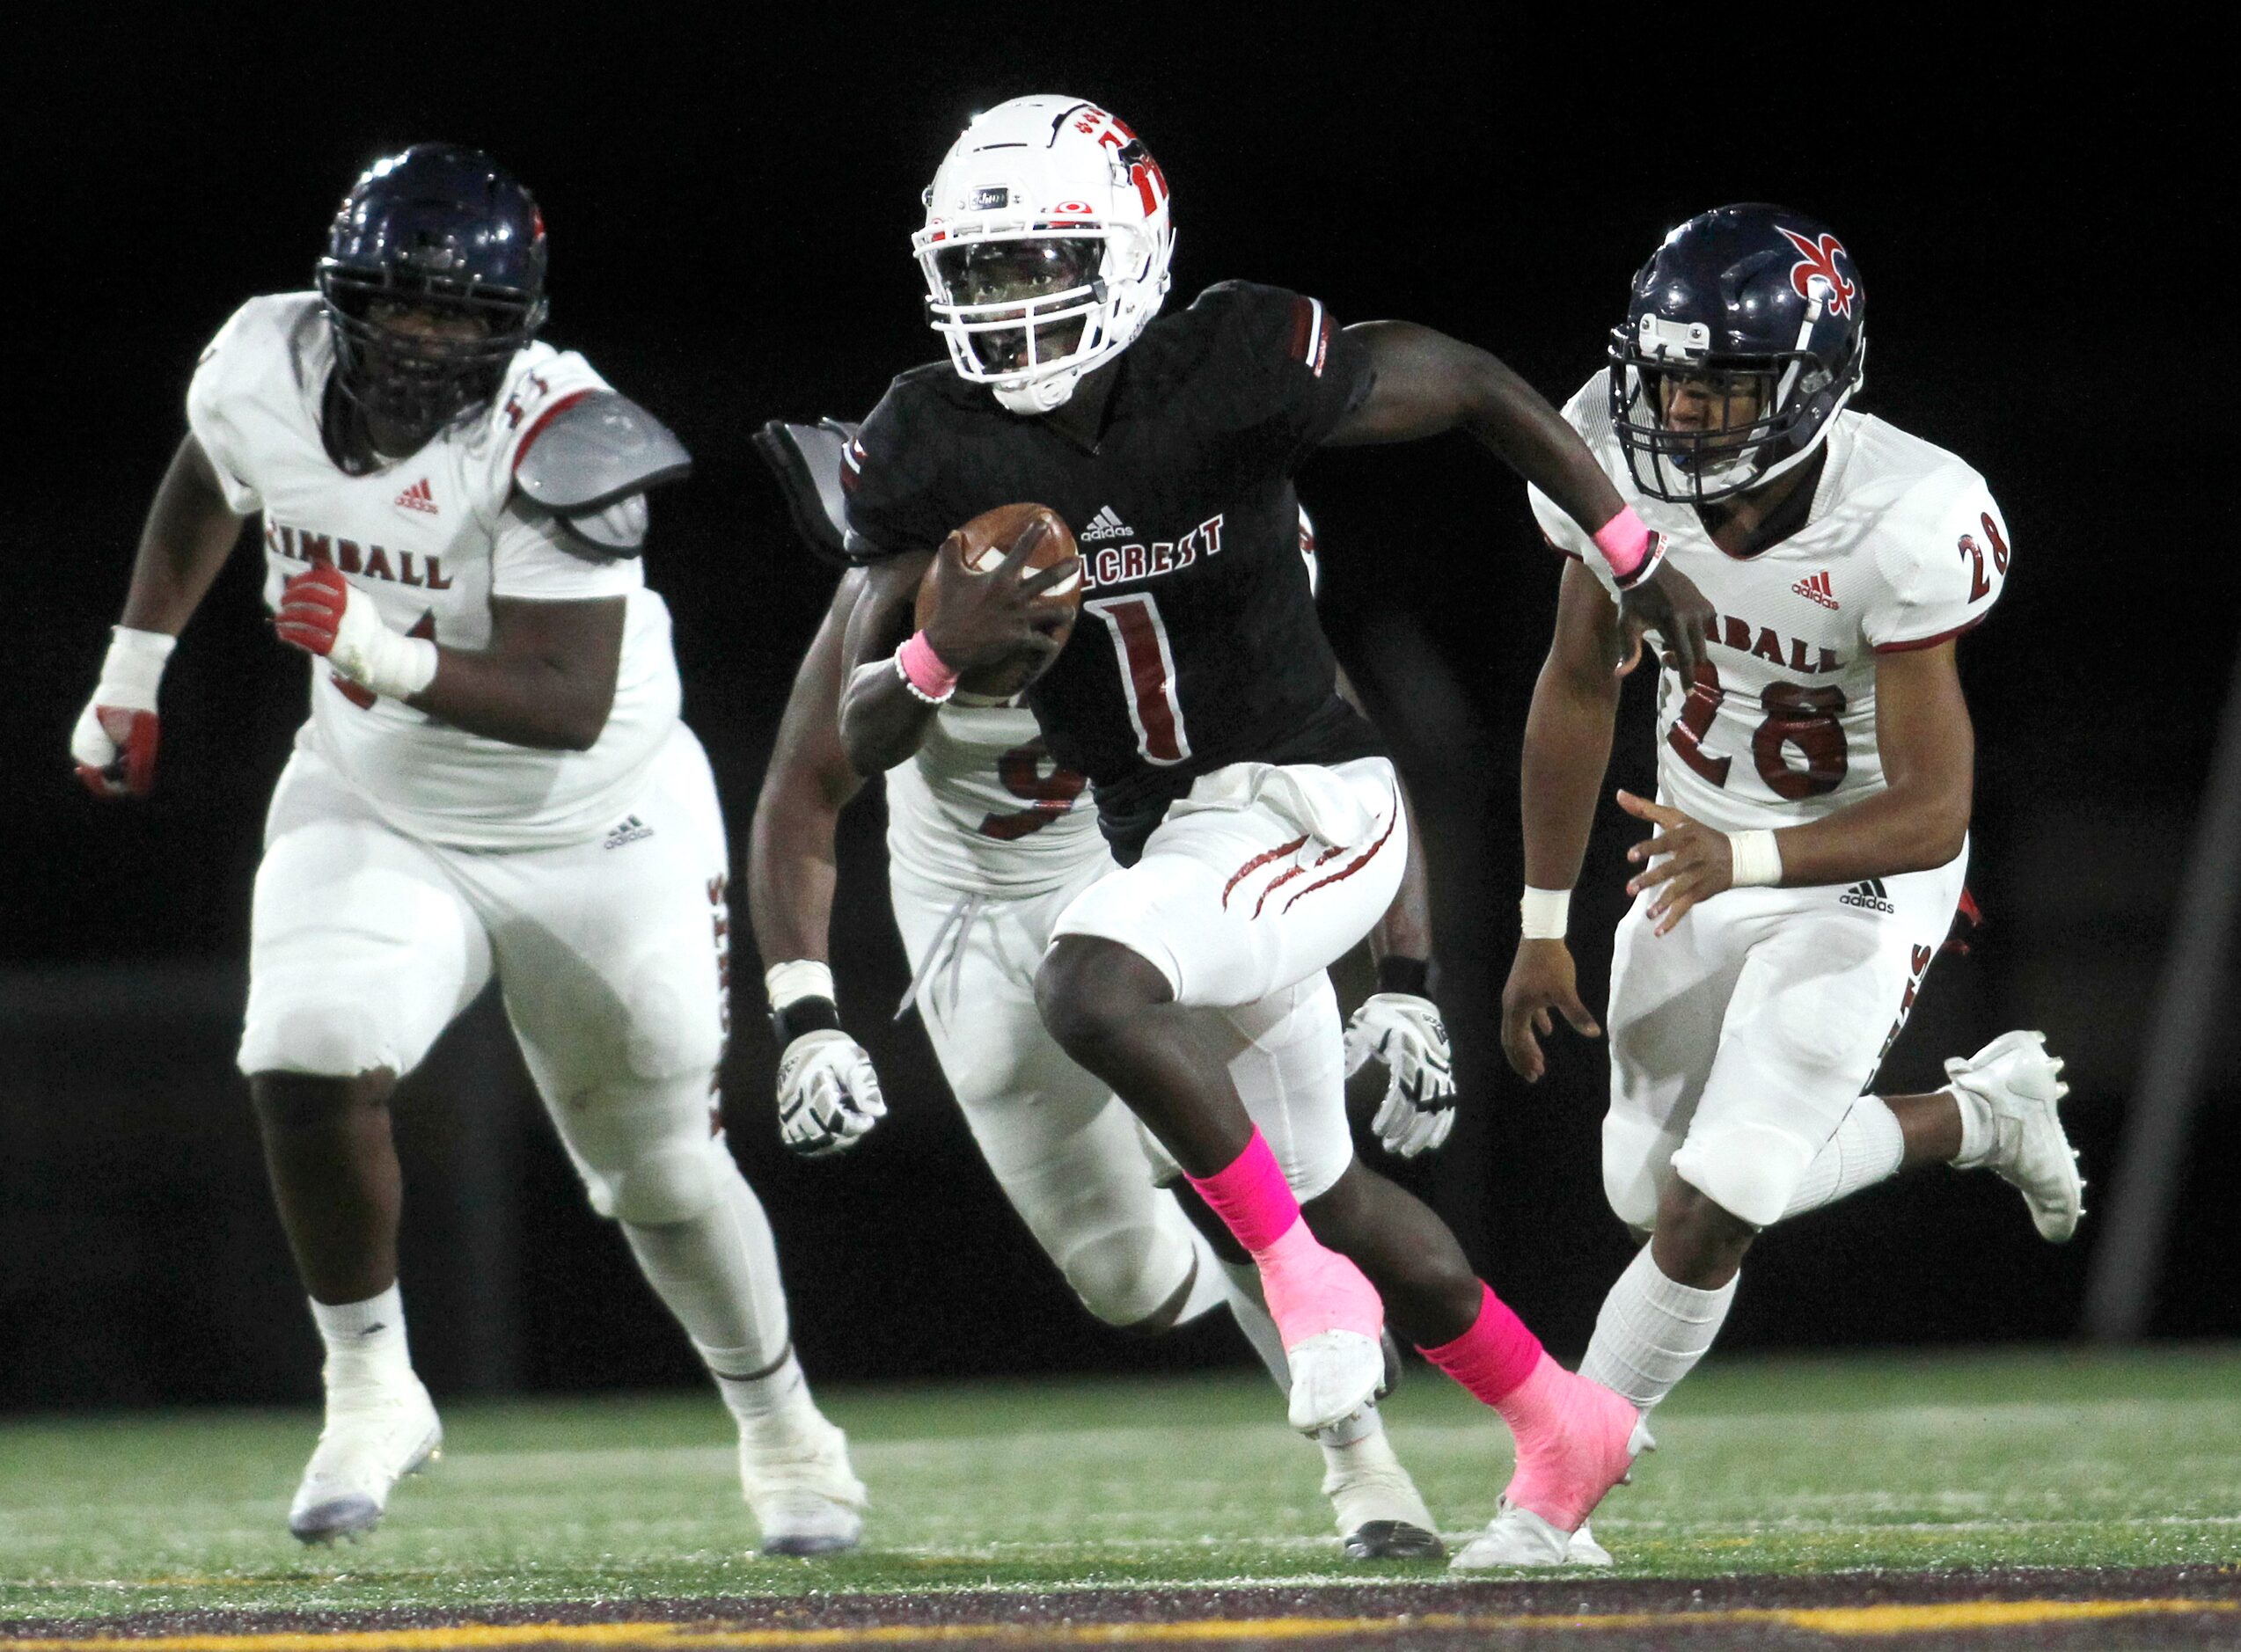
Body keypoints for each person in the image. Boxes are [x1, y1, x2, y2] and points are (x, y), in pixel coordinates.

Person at [832, 97, 1717, 1563]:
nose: (1008, 302)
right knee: (1335, 1190)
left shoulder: (1234, 361)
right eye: (978, 273)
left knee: (1088, 984)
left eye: (1037, 260)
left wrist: (1629, 551)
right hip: (1176, 847)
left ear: (1126, 246)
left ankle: (1299, 1286)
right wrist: (938, 649)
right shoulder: (930, 441)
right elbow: (856, 738)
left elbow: (1478, 385)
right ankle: (1563, 1416)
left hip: (1317, 800)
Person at [68, 143, 864, 1554]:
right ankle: (371, 1383)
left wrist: (377, 644)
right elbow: (212, 471)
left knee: (662, 1175)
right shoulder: (262, 357)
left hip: (598, 826)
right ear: (341, 296)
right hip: (379, 804)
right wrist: (133, 670)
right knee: (302, 1056)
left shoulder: (567, 432)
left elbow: (565, 698)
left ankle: (785, 1427)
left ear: (518, 326)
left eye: (464, 319)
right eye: (405, 307)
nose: (431, 342)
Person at [748, 418, 1454, 1558]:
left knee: (1220, 1162)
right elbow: (806, 790)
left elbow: (1346, 757)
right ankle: (1229, 1260)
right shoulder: (902, 590)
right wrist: (807, 1014)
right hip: (972, 911)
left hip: (1141, 868)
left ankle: (1363, 1469)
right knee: (1121, 1277)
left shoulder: (1176, 581)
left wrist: (1408, 976)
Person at [1494, 204, 2083, 1566]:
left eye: (1725, 385)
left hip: (1858, 871)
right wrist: (1539, 922)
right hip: (1694, 843)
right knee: (1644, 1192)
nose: (1686, 413)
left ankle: (1550, 1497)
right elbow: (1580, 681)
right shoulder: (1607, 462)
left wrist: (1745, 856)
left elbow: (1934, 812)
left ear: (1815, 385)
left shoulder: (1910, 515)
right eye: (1672, 378)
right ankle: (1973, 1118)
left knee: (1718, 1201)